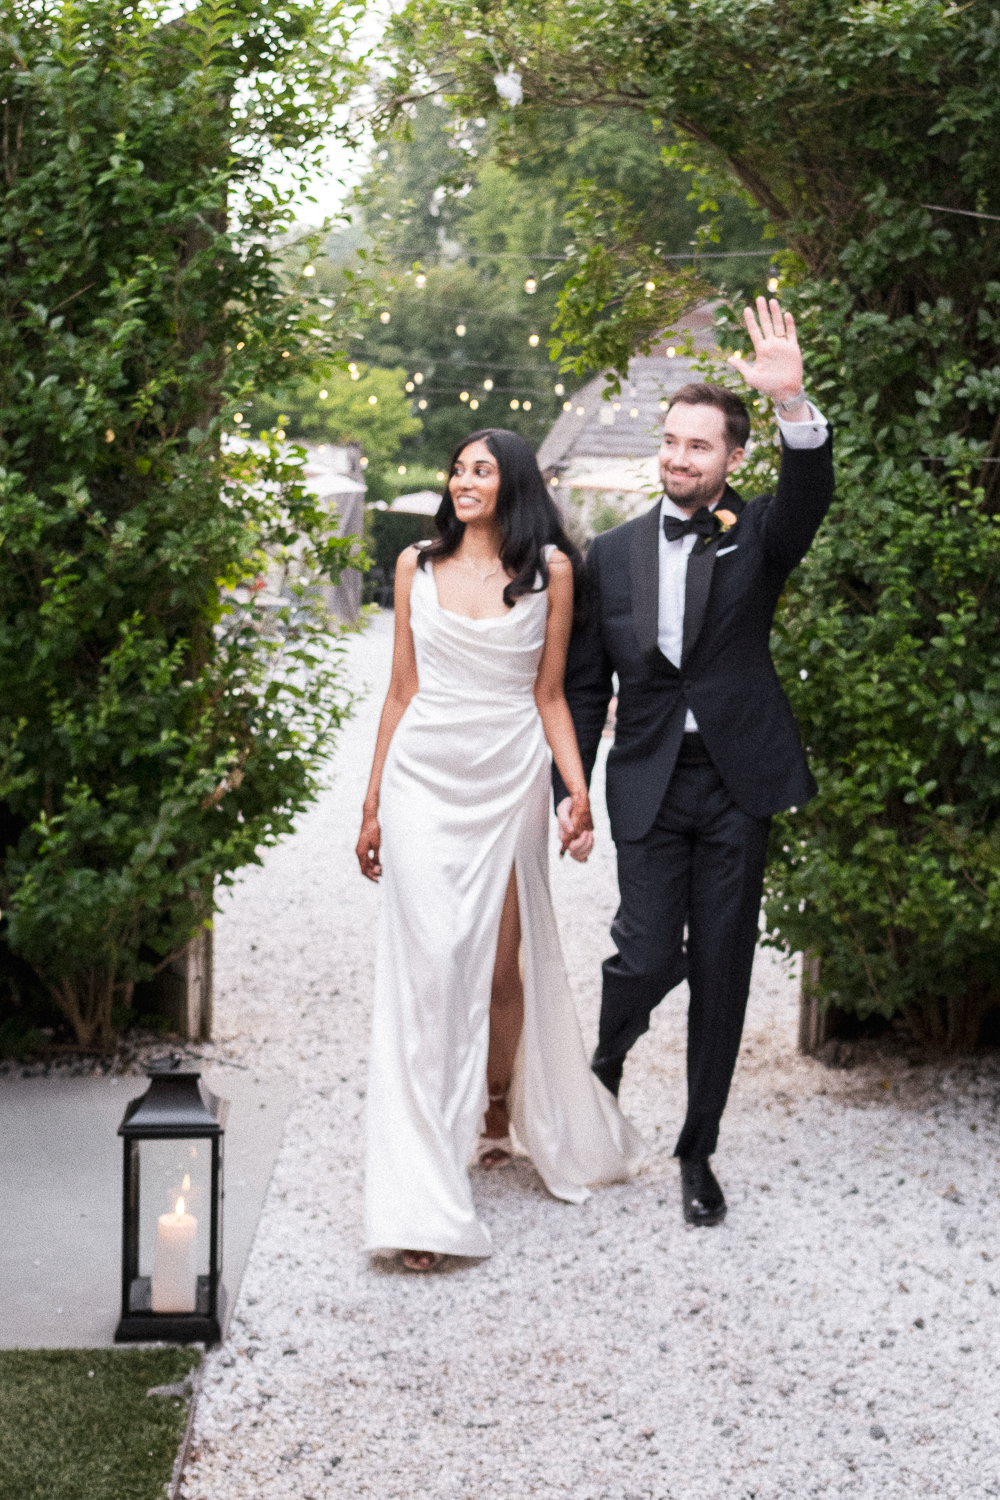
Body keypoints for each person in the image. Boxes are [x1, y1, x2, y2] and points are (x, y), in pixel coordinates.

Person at [553, 297, 834, 1228]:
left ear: (731, 460)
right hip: (647, 781)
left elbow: (810, 498)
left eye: (698, 447)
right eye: (671, 443)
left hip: (736, 782)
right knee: (641, 953)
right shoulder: (616, 552)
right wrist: (573, 791)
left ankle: (697, 1149)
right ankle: (605, 1057)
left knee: (721, 964)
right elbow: (587, 686)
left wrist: (792, 403)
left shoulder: (759, 536)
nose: (679, 458)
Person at [357, 428, 643, 1271]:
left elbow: (549, 693)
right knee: (428, 968)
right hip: (421, 776)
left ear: (513, 482)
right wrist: (372, 800)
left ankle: (493, 1106)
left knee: (496, 966)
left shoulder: (552, 572)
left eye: (480, 469)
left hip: (509, 776)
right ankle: (420, 1197)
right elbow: (401, 687)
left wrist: (575, 789)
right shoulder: (415, 564)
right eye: (457, 468)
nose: (462, 480)